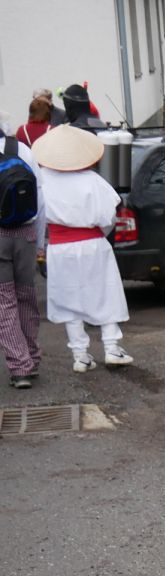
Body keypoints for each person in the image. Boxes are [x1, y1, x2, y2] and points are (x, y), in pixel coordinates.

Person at [30, 125, 131, 372]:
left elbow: (38, 217)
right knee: (104, 292)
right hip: (93, 243)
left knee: (69, 298)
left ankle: (80, 355)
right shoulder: (93, 180)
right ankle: (112, 347)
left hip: (60, 246)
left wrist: (41, 245)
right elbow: (108, 218)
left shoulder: (42, 180)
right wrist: (98, 234)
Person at [0, 125, 44, 388]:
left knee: (4, 302)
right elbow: (40, 198)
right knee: (27, 296)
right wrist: (40, 241)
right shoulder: (23, 150)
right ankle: (33, 358)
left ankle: (20, 367)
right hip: (26, 233)